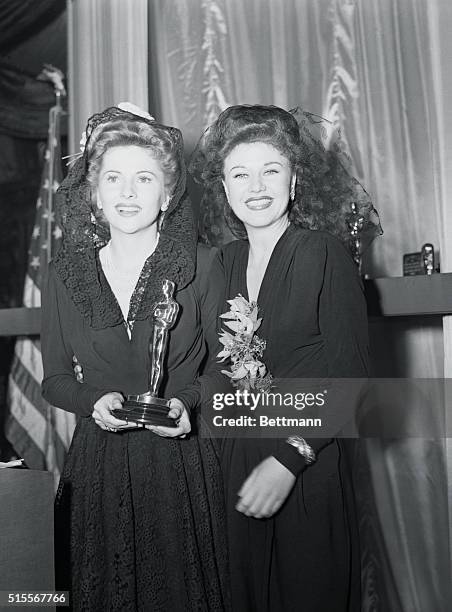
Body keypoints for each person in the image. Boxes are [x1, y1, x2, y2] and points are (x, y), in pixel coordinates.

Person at [183, 104, 382, 612]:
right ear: (224, 188)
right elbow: (215, 371)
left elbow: (353, 381)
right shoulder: (223, 263)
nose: (256, 186)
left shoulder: (324, 253)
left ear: (295, 182)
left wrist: (290, 459)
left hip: (306, 466)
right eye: (240, 174)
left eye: (271, 170)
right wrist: (186, 411)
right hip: (234, 469)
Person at [41, 103, 229, 611]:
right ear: (95, 195)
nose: (127, 193)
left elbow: (227, 368)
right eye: (114, 179)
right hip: (96, 468)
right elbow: (53, 378)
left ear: (167, 194)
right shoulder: (64, 273)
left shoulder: (206, 266)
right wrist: (90, 400)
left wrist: (188, 403)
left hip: (183, 465)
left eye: (144, 179)